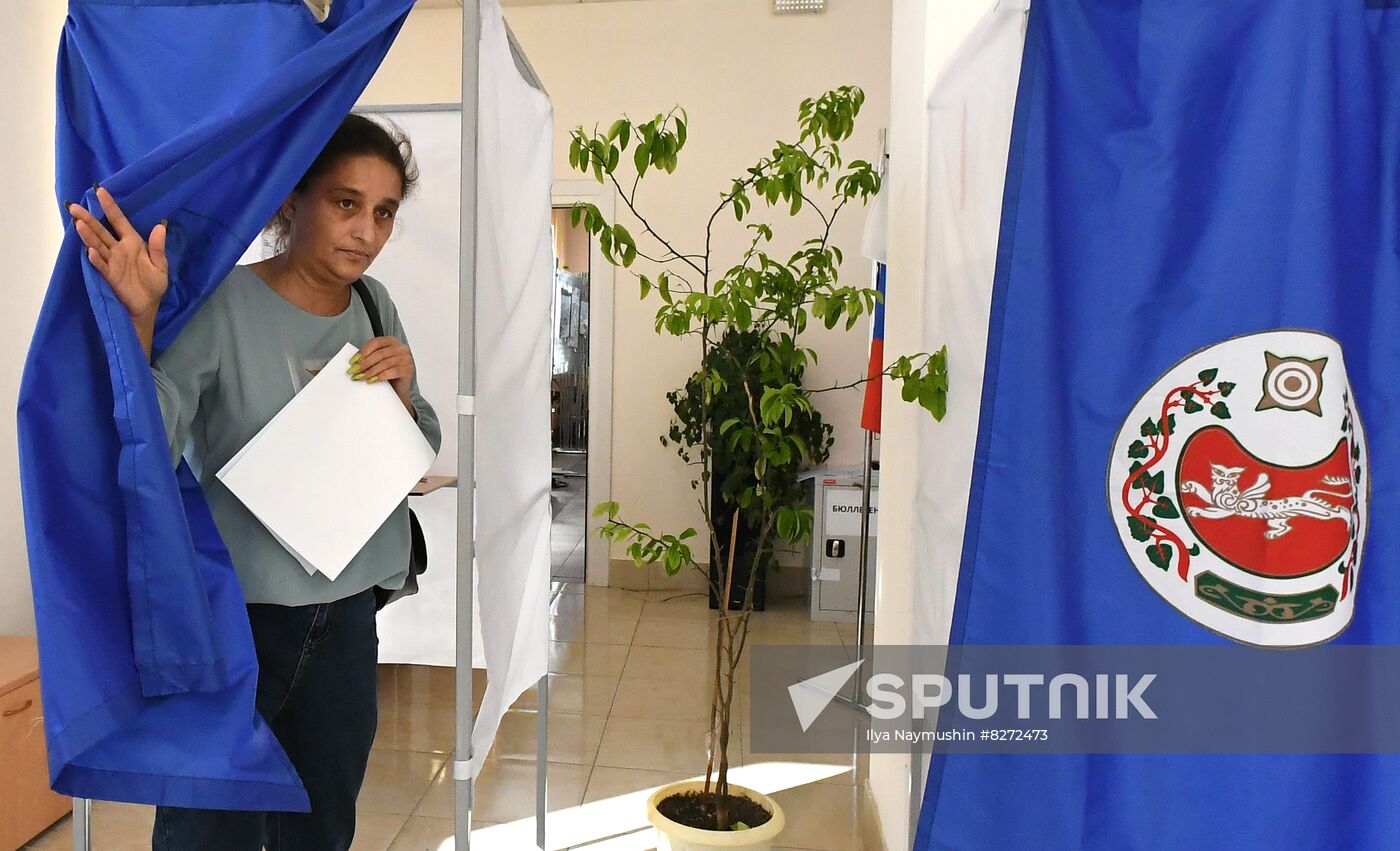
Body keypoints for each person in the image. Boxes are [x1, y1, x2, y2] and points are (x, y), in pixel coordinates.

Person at [66, 114, 442, 851]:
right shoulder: (225, 303)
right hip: (237, 624)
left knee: (322, 823)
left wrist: (402, 396)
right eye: (346, 203)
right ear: (291, 199)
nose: (366, 230)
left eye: (384, 212)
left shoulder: (375, 305)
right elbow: (149, 437)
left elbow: (417, 443)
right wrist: (140, 319)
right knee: (210, 827)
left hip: (346, 618)